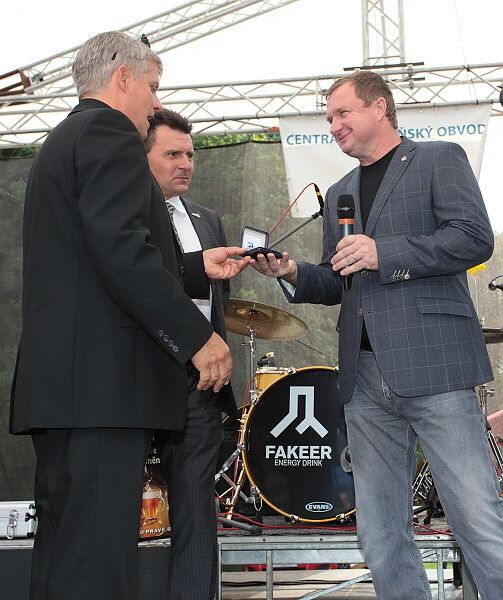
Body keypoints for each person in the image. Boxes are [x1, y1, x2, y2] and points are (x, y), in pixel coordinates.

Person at [9, 31, 248, 600]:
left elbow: (91, 262)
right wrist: (197, 337)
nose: (156, 103)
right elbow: (121, 251)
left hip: (67, 389)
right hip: (102, 389)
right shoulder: (109, 132)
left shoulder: (64, 139)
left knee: (65, 557)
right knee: (97, 563)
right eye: (153, 86)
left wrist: (190, 270)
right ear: (123, 78)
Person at [251, 70, 503, 599]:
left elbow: (473, 238)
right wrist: (291, 272)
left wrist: (384, 252)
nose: (334, 126)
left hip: (435, 366)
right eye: (329, 118)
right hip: (363, 378)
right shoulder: (340, 191)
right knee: (380, 531)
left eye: (342, 113)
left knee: (477, 518)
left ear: (380, 107)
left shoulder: (438, 159)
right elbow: (336, 279)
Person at [145, 108, 236, 599]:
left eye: (191, 155)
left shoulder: (207, 219)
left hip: (200, 382)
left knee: (196, 502)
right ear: (143, 157)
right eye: (172, 154)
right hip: (140, 374)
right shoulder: (129, 213)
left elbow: (215, 300)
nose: (185, 164)